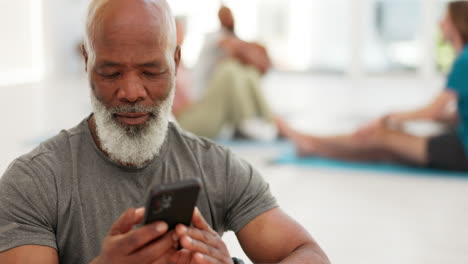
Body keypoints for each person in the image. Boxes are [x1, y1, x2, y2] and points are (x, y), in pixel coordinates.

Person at [0, 0, 330, 263]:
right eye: (111, 72)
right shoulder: (34, 183)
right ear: (87, 62)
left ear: (174, 61)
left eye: (151, 70)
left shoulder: (218, 167)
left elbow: (308, 254)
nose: (131, 91)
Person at [285, 0, 468, 172]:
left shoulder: (464, 60)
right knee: (386, 149)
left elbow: (433, 111)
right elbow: (453, 117)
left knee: (380, 136)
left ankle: (311, 141)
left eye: (446, 18)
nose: (441, 23)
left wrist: (388, 119)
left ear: (457, 22)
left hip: (462, 149)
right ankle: (314, 146)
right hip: (459, 144)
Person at [173, 6, 284, 141]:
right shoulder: (212, 38)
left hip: (199, 110)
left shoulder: (181, 61)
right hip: (187, 119)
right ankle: (248, 121)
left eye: (180, 31)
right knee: (229, 69)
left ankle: (263, 120)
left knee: (248, 72)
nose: (180, 34)